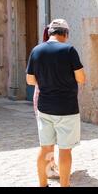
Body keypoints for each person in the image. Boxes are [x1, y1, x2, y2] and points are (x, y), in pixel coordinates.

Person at [26, 19, 86, 187]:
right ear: (65, 33)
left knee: (45, 148)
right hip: (67, 108)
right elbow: (81, 78)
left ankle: (42, 184)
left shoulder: (36, 50)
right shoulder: (69, 50)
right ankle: (64, 185)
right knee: (65, 150)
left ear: (50, 32)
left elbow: (30, 80)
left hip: (45, 107)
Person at [32, 26, 59, 180]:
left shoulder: (39, 51)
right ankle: (49, 169)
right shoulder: (50, 53)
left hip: (40, 96)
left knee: (48, 138)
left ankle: (51, 166)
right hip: (48, 97)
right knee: (49, 140)